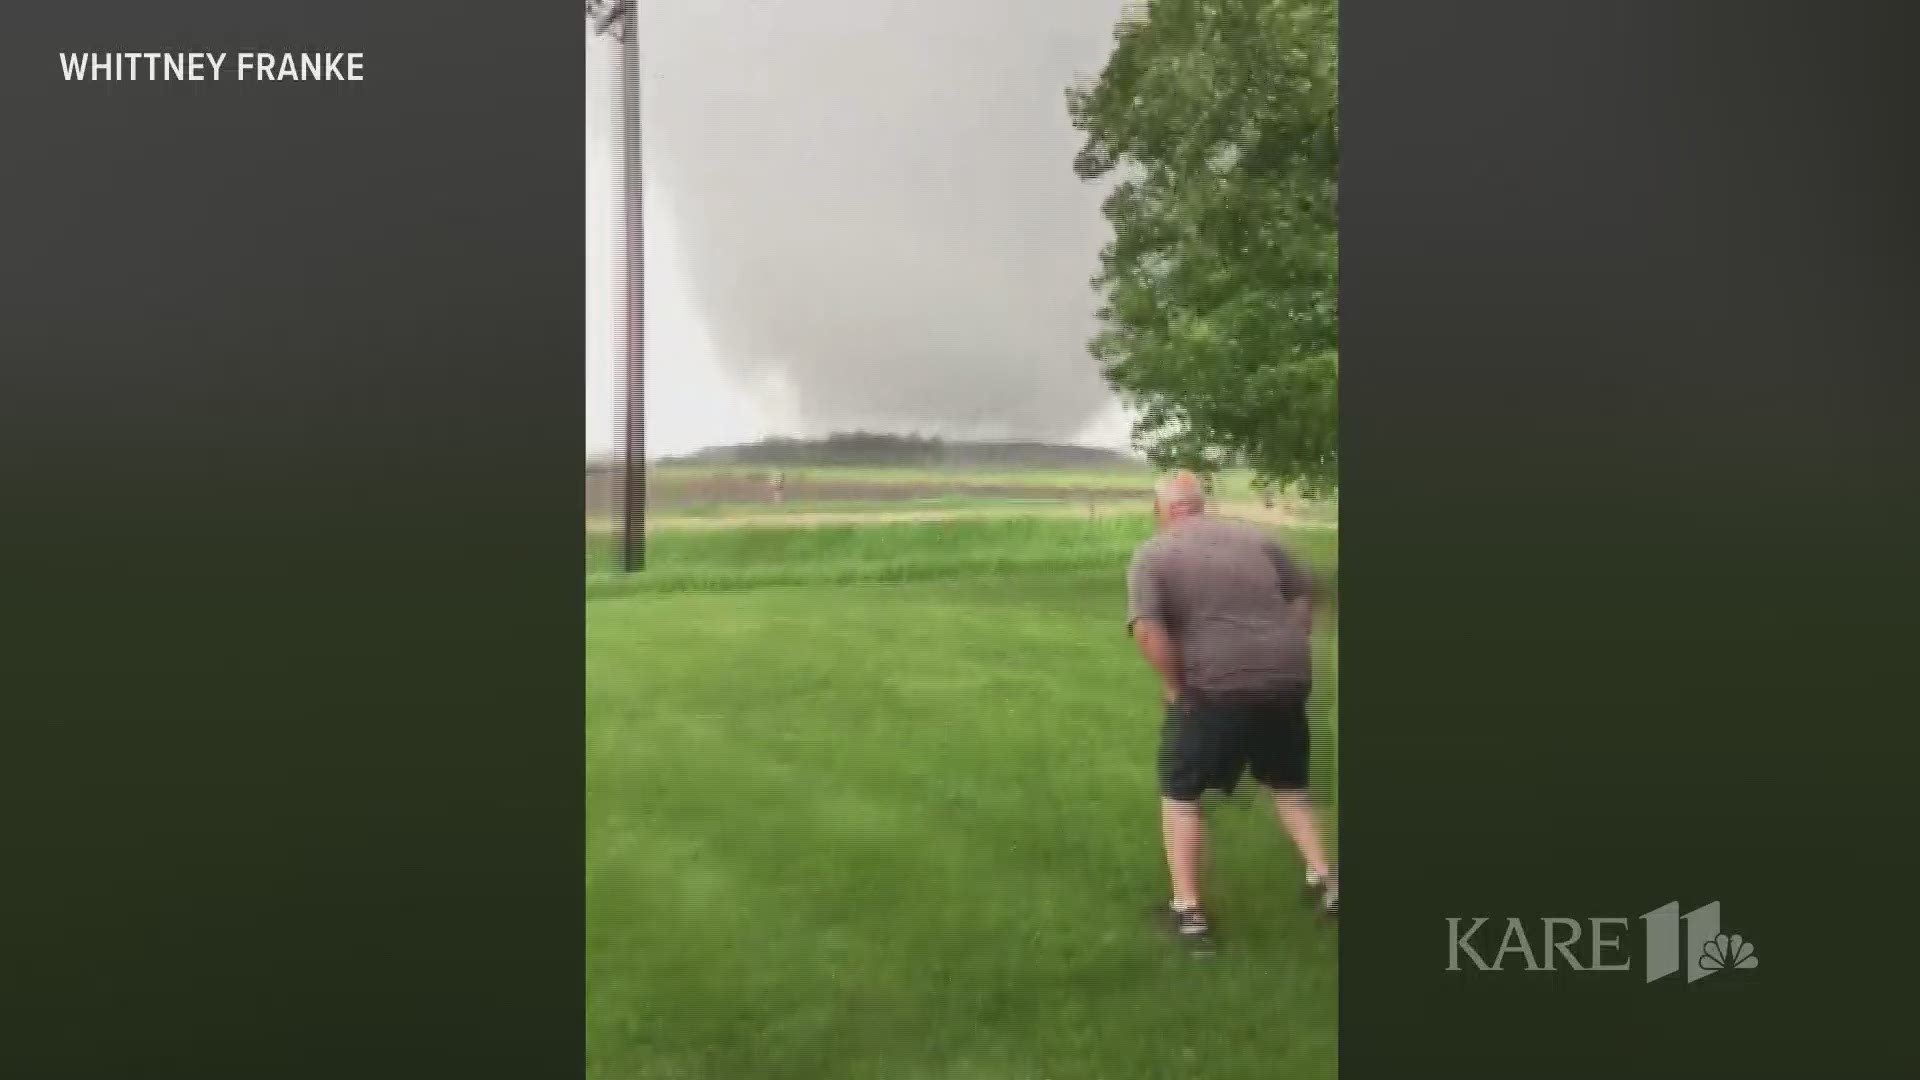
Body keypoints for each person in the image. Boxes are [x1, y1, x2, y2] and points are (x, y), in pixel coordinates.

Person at [1126, 470, 1336, 950]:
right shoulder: (1257, 537)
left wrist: (1175, 688)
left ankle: (1189, 914)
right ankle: (1331, 882)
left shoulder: (1154, 552)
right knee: (1288, 783)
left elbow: (1147, 629)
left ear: (1163, 509)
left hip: (1216, 688)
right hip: (1287, 682)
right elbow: (1304, 594)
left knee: (1181, 794)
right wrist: (1285, 645)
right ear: (1200, 504)